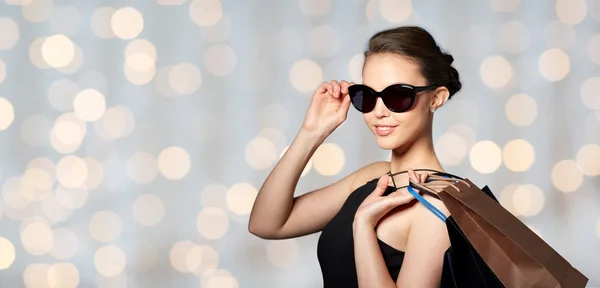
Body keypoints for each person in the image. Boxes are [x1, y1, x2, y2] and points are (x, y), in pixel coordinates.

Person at [248, 26, 463, 287]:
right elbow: (266, 224)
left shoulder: (436, 206)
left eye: (398, 96)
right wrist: (312, 132)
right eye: (368, 97)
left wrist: (363, 226)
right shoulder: (373, 176)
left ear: (436, 99)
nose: (378, 112)